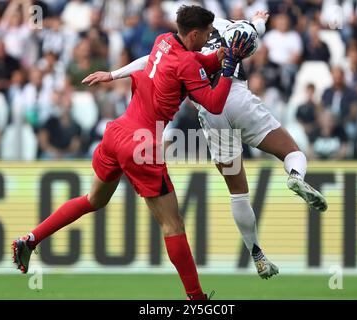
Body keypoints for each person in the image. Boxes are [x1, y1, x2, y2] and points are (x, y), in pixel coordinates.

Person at [13, 5, 252, 300]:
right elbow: (214, 103)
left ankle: (31, 238)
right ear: (194, 33)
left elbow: (187, 63)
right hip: (142, 143)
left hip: (117, 132)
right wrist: (228, 69)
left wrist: (218, 57)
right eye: (207, 34)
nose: (209, 38)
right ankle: (197, 299)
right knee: (172, 224)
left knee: (93, 200)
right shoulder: (189, 63)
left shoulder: (163, 40)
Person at [86, 11, 328, 280]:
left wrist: (114, 73)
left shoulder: (182, 43)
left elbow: (150, 61)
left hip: (211, 115)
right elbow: (253, 29)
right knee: (292, 152)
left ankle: (256, 252)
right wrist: (259, 20)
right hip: (235, 97)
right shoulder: (233, 28)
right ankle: (295, 176)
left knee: (238, 193)